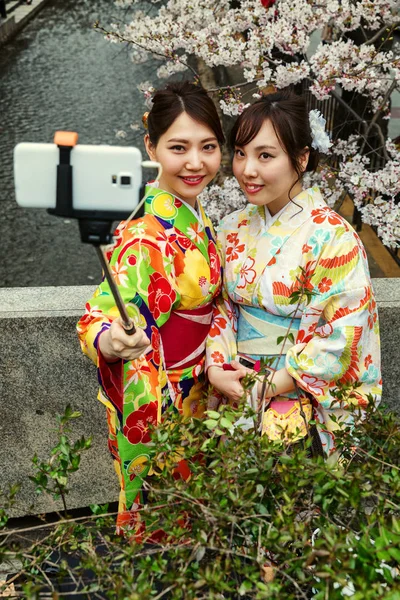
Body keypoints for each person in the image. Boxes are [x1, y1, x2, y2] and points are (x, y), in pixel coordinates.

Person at [77, 81, 224, 533]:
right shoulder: (145, 230)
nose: (195, 162)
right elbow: (102, 309)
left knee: (198, 513)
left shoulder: (191, 211)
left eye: (209, 147)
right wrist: (109, 337)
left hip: (201, 389)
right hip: (168, 397)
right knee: (173, 515)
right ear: (151, 146)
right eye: (178, 147)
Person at [206, 90, 381, 459]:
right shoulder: (230, 227)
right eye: (240, 153)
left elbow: (343, 333)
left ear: (301, 158)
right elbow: (221, 306)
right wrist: (218, 367)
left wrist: (272, 384)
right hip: (238, 387)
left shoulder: (333, 237)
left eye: (265, 155)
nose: (247, 170)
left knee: (294, 506)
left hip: (296, 395)